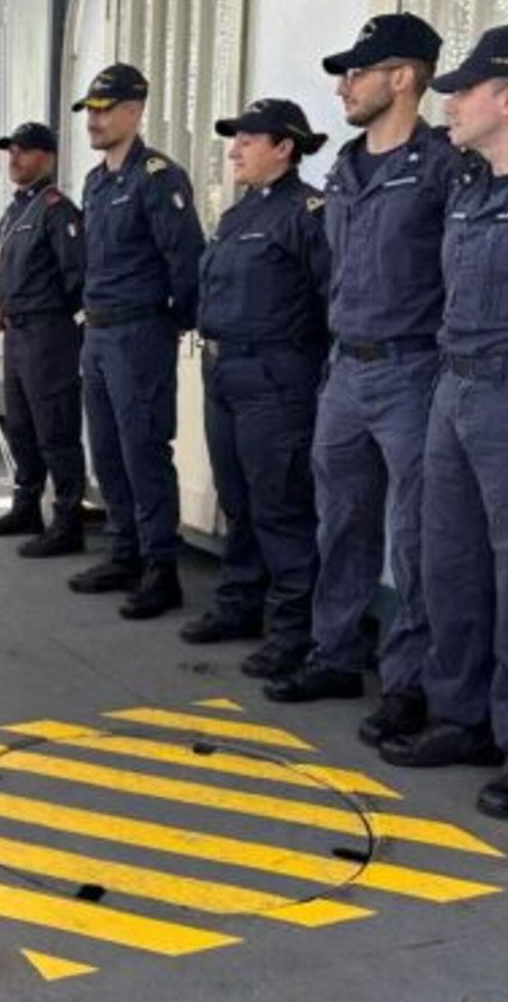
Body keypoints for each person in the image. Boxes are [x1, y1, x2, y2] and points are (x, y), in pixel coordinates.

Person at [263, 15, 461, 730]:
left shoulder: (444, 165)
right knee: (340, 523)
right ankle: (335, 655)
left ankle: (410, 682)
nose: (343, 85)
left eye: (358, 72)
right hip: (345, 370)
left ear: (403, 77)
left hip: (413, 370)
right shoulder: (344, 168)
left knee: (415, 537)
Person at [380, 21, 508, 823]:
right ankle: (464, 715)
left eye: (466, 89)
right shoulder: (469, 184)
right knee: (447, 559)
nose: (449, 102)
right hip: (454, 387)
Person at [190, 99, 331, 681]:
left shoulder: (309, 213)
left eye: (248, 140)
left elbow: (332, 302)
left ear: (284, 147)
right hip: (224, 372)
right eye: (235, 140)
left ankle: (293, 632)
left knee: (281, 507)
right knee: (238, 499)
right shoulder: (237, 215)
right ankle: (239, 604)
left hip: (276, 377)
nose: (234, 151)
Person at [69, 64, 206, 620]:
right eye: (91, 112)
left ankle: (160, 568)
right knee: (106, 450)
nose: (95, 121)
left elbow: (188, 262)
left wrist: (169, 323)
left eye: (105, 110)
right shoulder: (97, 181)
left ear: (134, 110)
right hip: (98, 332)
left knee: (144, 450)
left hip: (139, 332)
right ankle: (123, 552)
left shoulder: (158, 177)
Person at [0, 122, 88, 556]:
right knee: (20, 424)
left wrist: (59, 322)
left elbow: (77, 276)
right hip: (18, 332)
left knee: (55, 427)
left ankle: (67, 521)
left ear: (46, 157)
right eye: (11, 152)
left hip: (49, 333)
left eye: (23, 151)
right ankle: (26, 506)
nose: (14, 159)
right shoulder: (16, 210)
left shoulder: (57, 209)